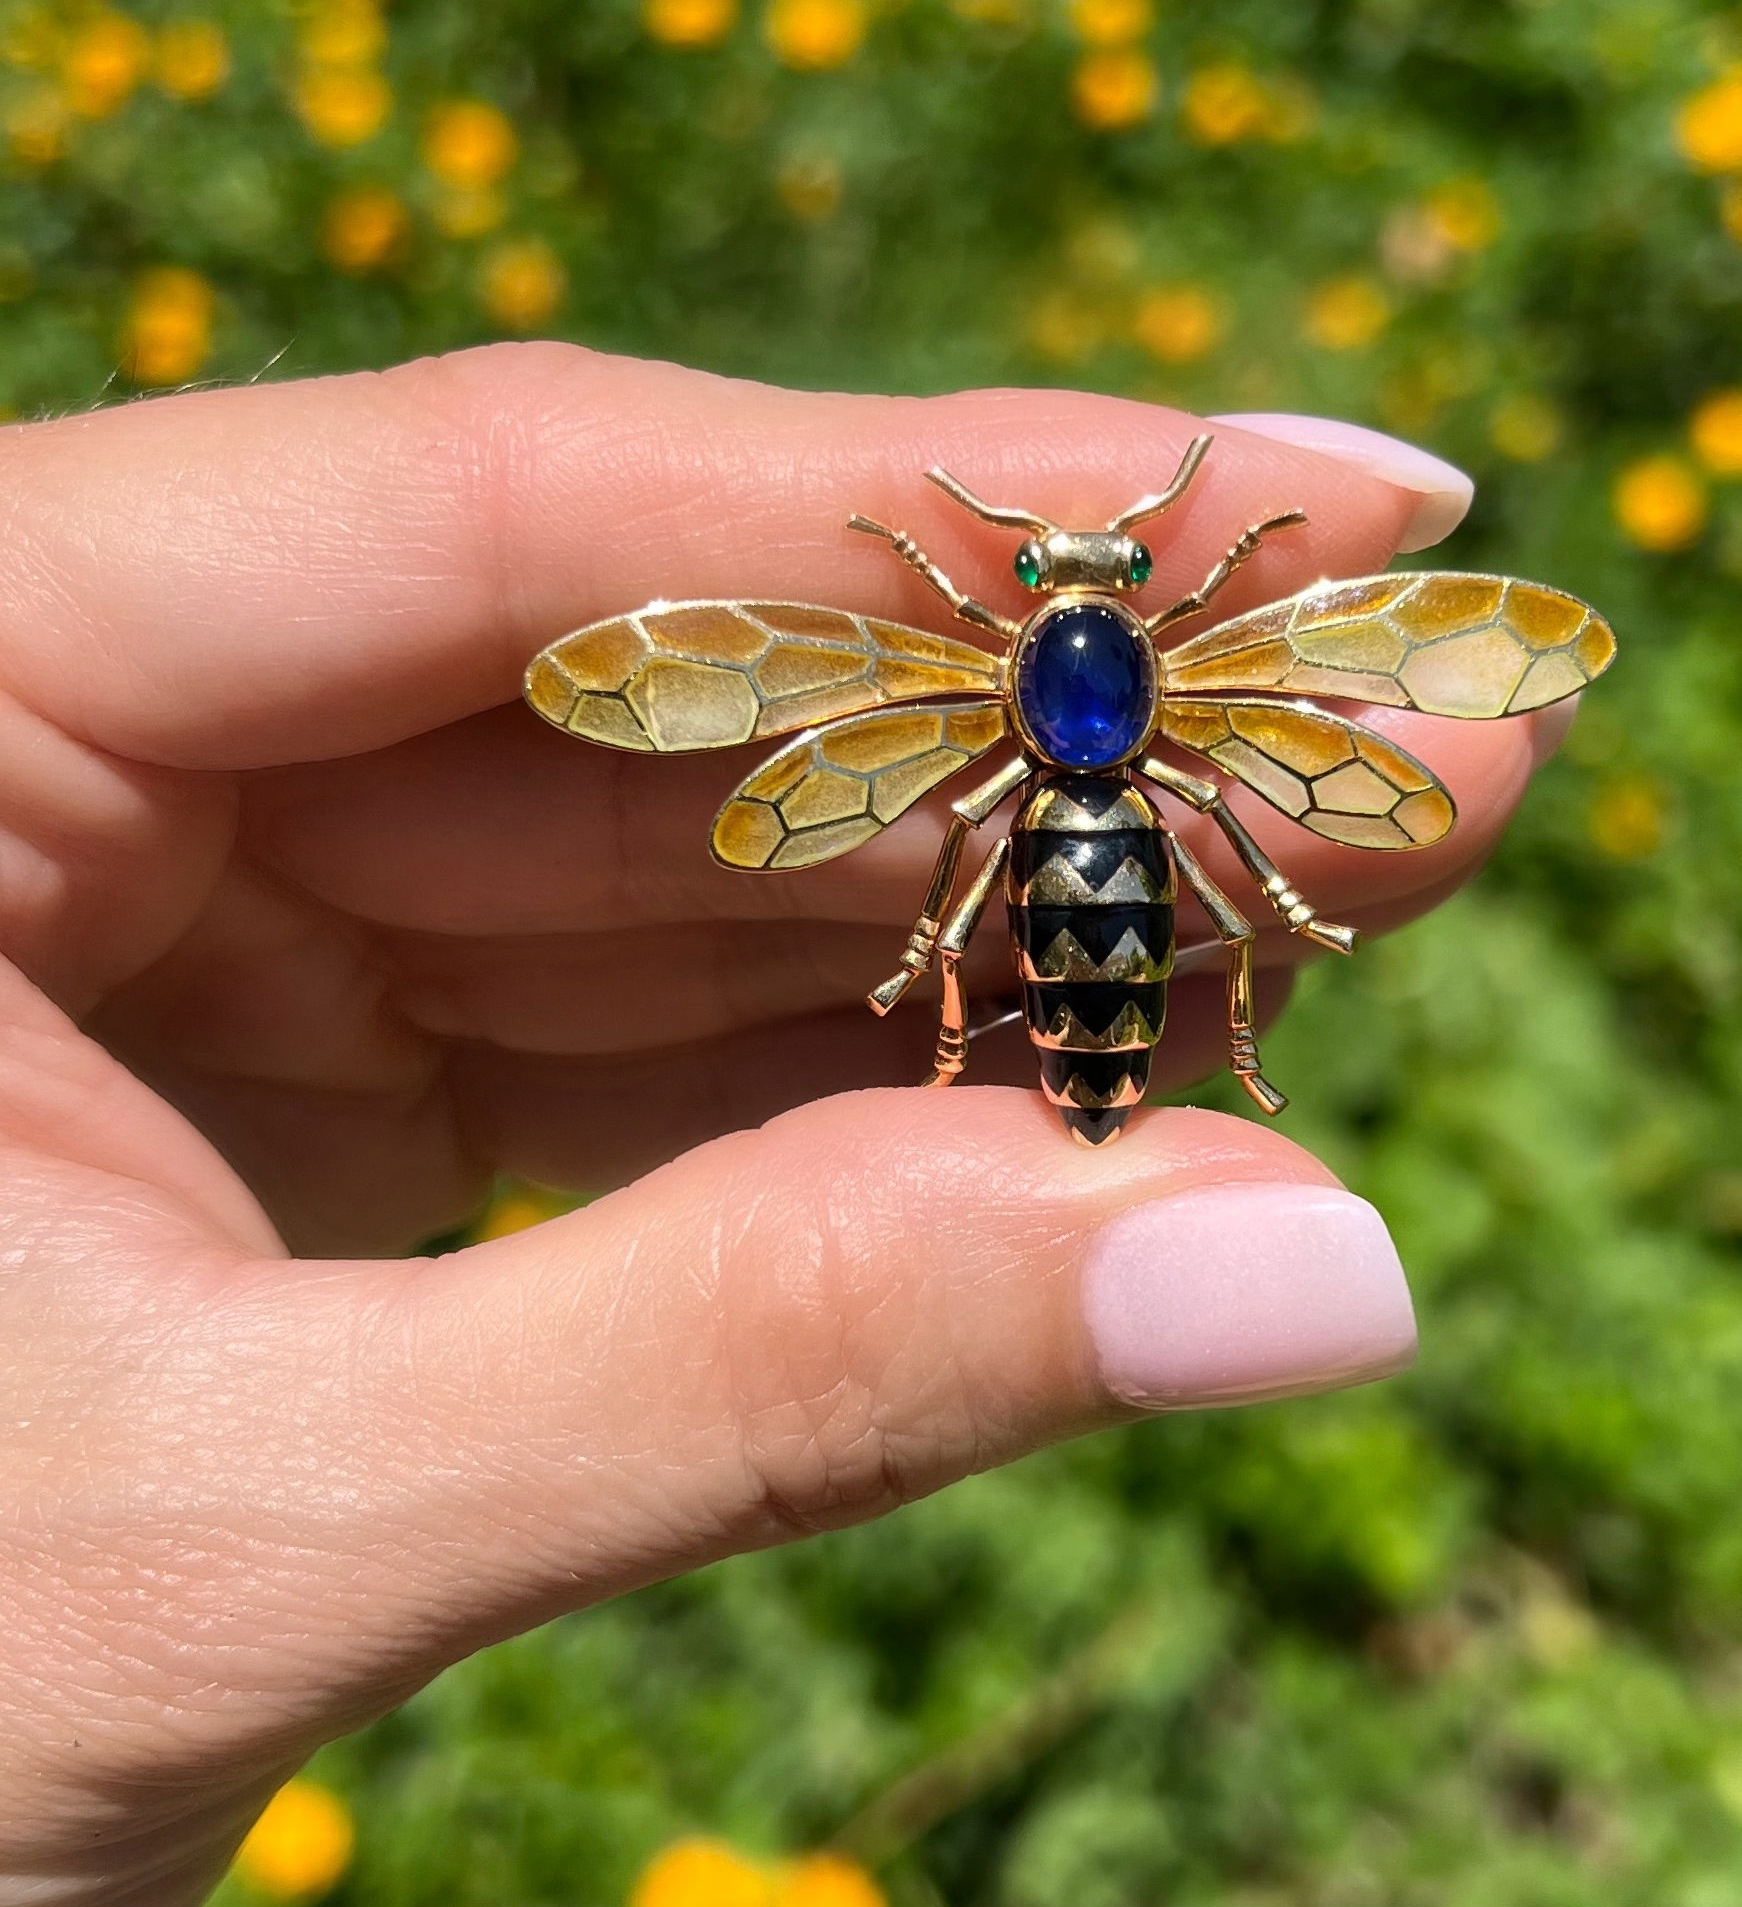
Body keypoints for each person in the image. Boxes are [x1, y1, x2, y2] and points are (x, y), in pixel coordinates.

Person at [0, 343, 1571, 1905]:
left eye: (1118, 555)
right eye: (1061, 563)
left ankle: (987, 985)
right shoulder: (1124, 657)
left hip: (1046, 829)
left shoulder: (1014, 655)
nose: (1084, 571)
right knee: (1197, 849)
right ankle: (1090, 970)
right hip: (1129, 833)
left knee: (1020, 862)